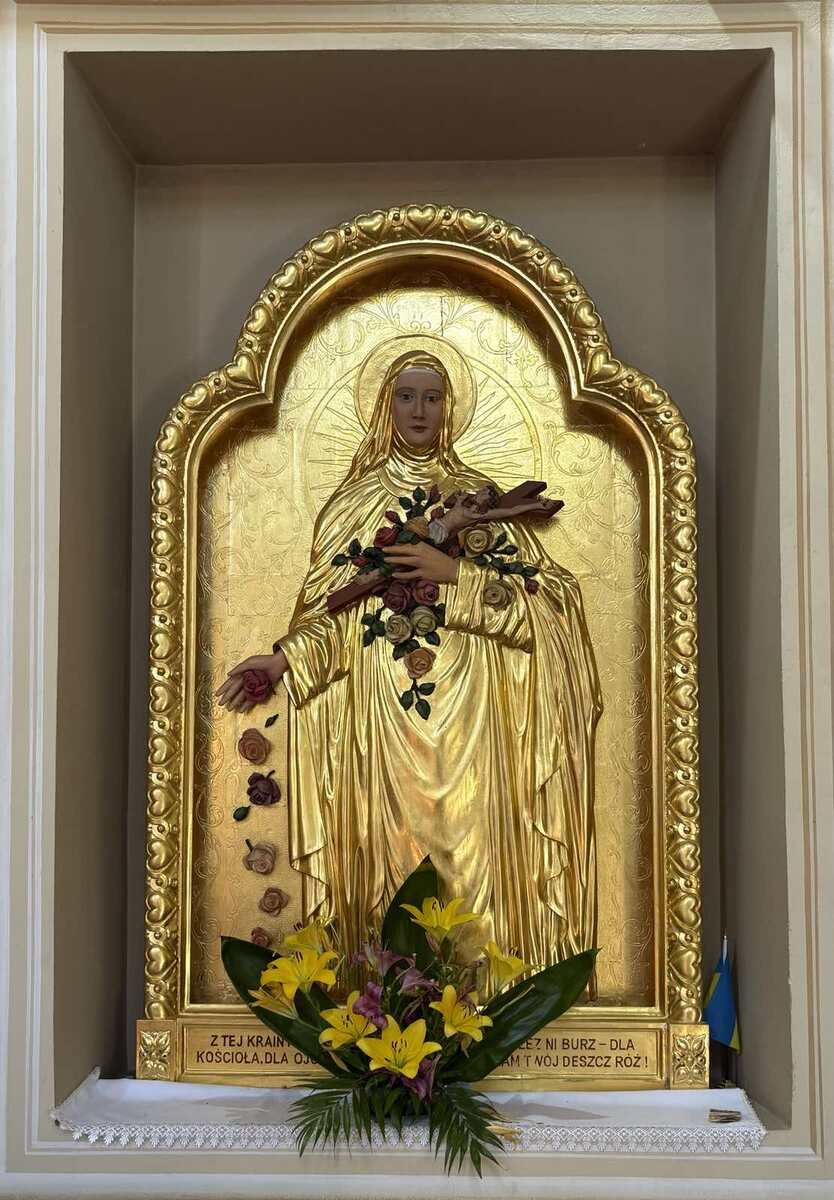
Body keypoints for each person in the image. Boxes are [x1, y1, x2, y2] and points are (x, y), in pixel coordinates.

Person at [218, 347, 602, 967]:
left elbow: (549, 606)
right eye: (405, 396)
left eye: (432, 397)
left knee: (472, 856)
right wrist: (282, 661)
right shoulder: (355, 503)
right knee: (393, 858)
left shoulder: (482, 503)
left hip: (476, 719)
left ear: (449, 408)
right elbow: (336, 615)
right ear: (385, 406)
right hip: (385, 717)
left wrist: (456, 577)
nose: (419, 410)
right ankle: (389, 999)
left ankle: (486, 995)